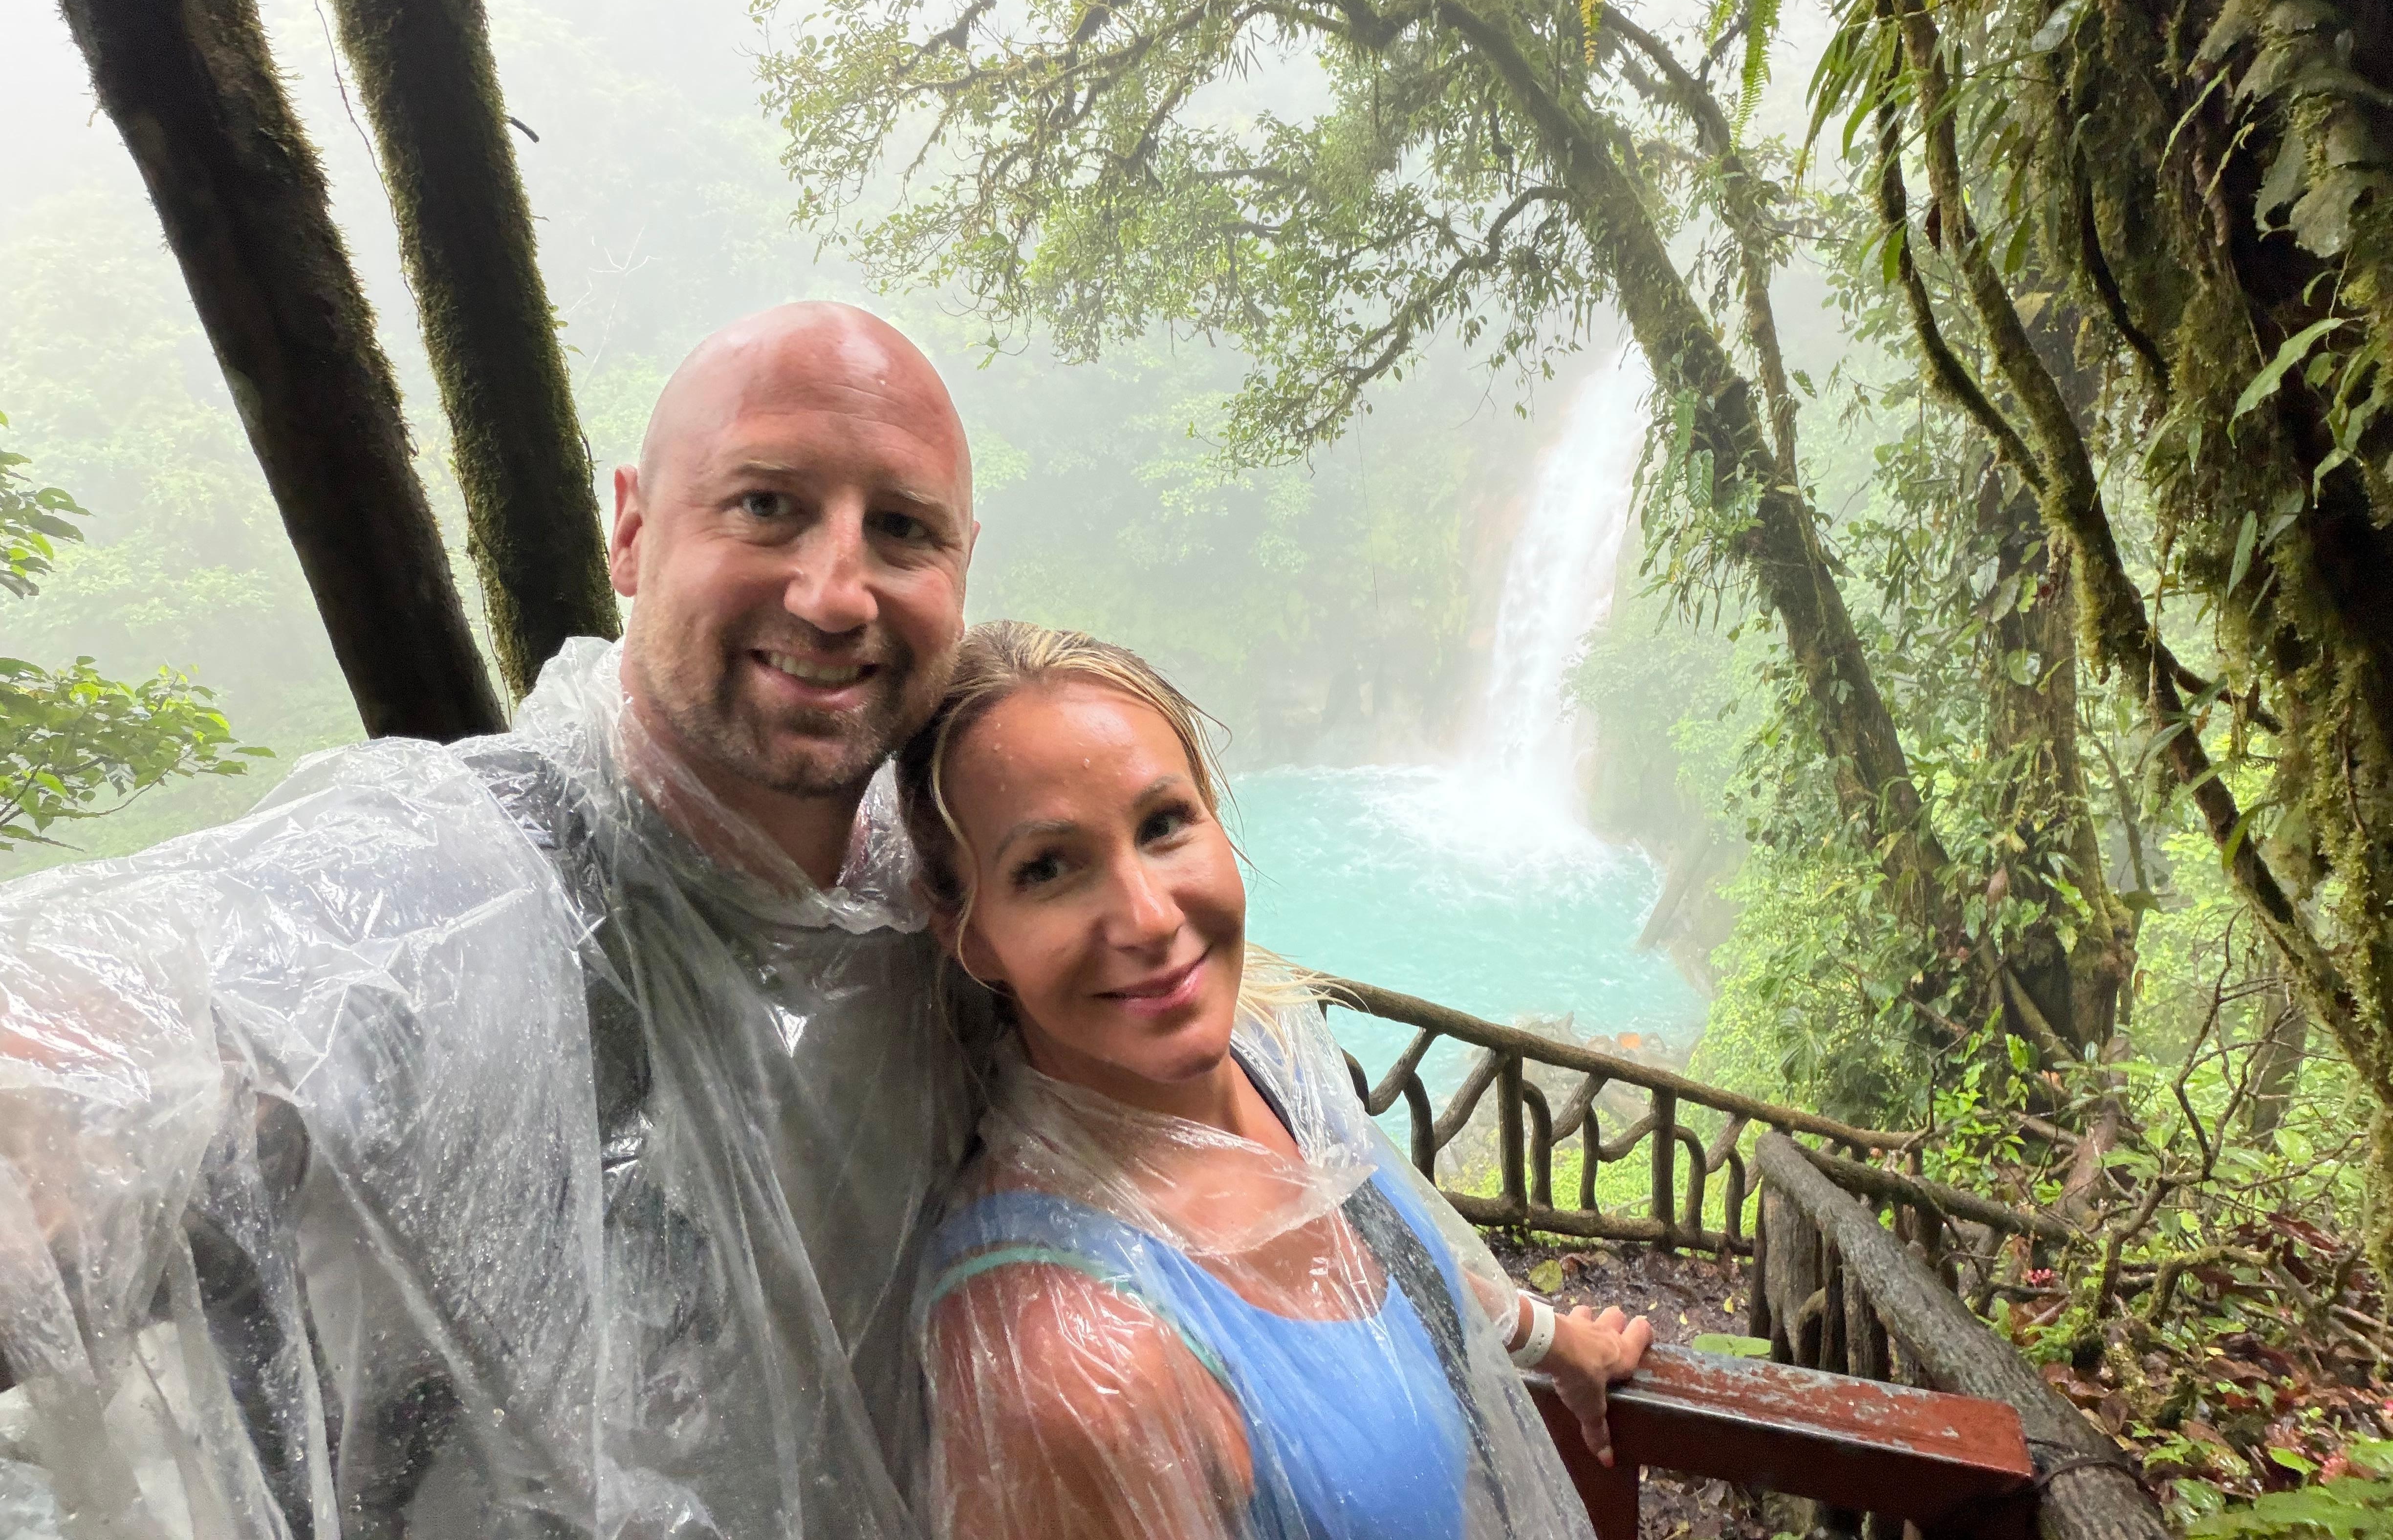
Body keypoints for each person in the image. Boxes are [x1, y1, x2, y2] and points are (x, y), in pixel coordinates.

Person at [0, 303, 991, 1538]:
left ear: (962, 567)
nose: (836, 593)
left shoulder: (955, 900)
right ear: (632, 531)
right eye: (764, 505)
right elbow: (156, 1028)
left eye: (901, 529)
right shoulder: (447, 890)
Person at [893, 622, 1651, 1540]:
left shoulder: (1267, 1046)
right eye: (1047, 868)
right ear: (969, 933)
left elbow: (1385, 1240)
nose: (1149, 918)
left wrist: (1557, 1342)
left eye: (1163, 824)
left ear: (1216, 817)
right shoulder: (1075, 1374)